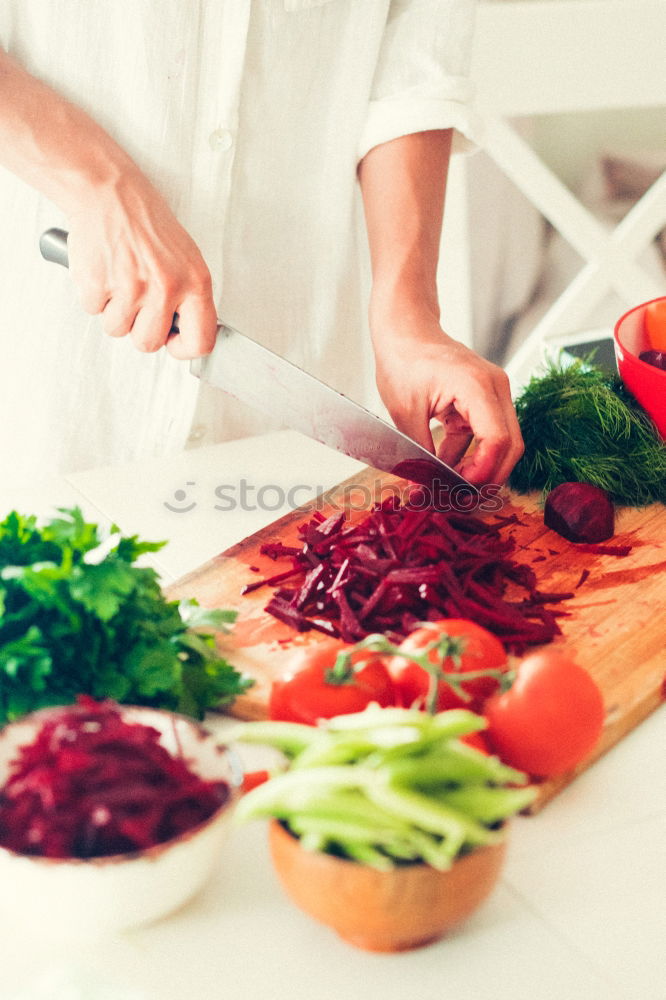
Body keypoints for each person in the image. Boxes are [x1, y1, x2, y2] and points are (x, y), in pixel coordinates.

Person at [0, 0, 523, 489]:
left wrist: (408, 318)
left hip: (289, 392)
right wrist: (102, 190)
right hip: (52, 376)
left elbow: (413, 71)